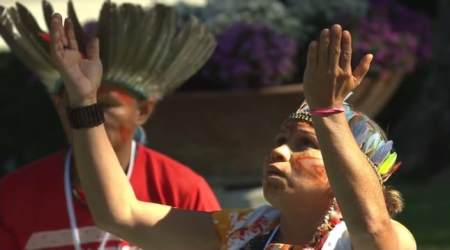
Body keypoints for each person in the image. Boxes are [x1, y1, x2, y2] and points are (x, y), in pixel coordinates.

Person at [49, 7, 417, 249]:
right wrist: (85, 102)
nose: (279, 151)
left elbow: (370, 225)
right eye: (279, 140)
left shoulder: (376, 239)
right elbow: (120, 214)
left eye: (305, 144)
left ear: (349, 167)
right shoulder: (242, 233)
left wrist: (328, 111)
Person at [0, 2, 221, 249]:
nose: (86, 117)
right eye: (73, 104)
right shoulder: (14, 195)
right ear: (57, 106)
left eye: (104, 105)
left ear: (143, 111)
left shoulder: (183, 190)